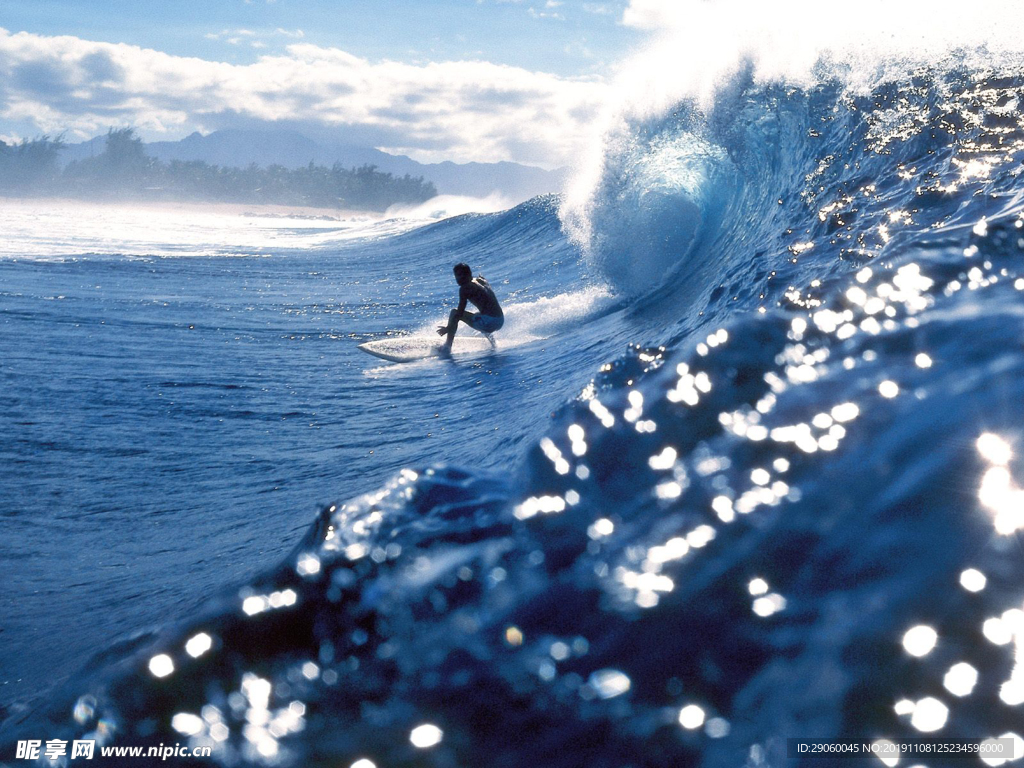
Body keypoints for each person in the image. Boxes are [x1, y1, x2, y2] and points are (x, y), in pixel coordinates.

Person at [436, 262, 504, 350]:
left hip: (489, 322)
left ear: (469, 274)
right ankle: (494, 344)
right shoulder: (481, 281)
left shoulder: (465, 288)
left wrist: (448, 328)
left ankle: (447, 347)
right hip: (500, 320)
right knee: (478, 315)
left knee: (454, 312)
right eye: (457, 276)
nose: (459, 279)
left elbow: (459, 313)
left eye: (462, 276)